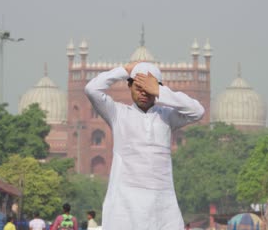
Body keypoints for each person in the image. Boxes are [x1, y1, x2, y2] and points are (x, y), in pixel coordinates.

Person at [85, 62, 205, 230]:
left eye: (148, 89)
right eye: (138, 87)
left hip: (162, 202)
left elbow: (198, 111)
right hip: (126, 201)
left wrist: (158, 90)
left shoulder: (167, 117)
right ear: (129, 85)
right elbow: (92, 89)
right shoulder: (118, 114)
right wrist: (124, 70)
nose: (143, 93)